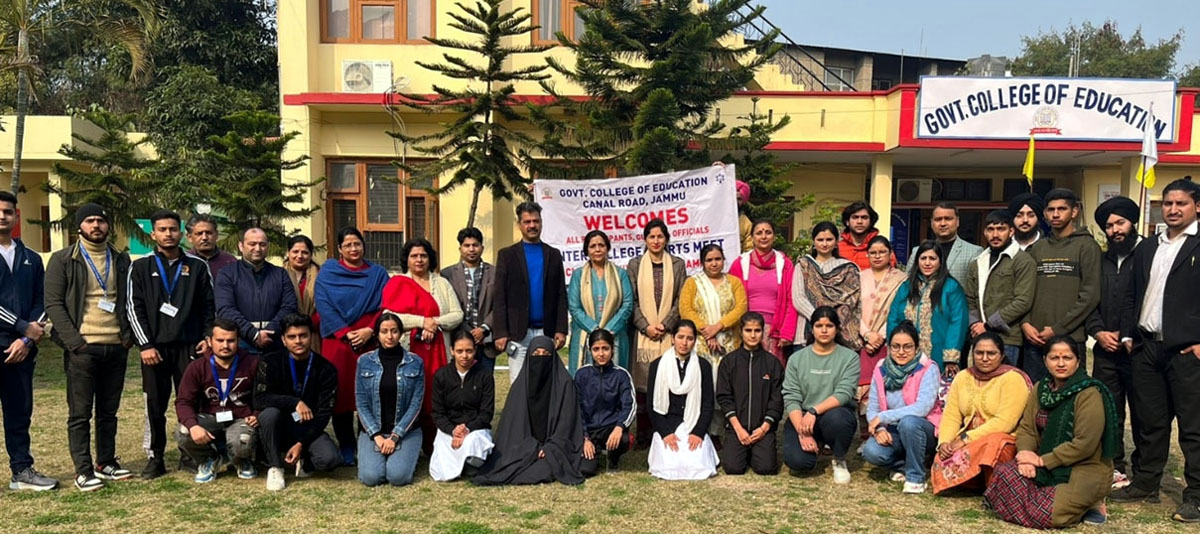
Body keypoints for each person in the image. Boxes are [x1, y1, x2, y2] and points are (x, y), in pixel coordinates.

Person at [1113, 179, 1200, 523]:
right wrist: (1129, 335)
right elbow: (1133, 294)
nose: (1173, 209)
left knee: (1193, 428)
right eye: (1167, 203)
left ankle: (1195, 495)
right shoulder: (1148, 246)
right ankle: (1146, 482)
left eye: (1181, 203)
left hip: (1186, 351)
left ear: (1196, 207)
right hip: (1146, 347)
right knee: (1150, 422)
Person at [44, 203, 134, 491]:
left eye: (101, 221)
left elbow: (131, 300)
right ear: (79, 227)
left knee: (109, 412)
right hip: (83, 349)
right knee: (80, 413)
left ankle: (105, 462)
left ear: (108, 226)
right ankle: (83, 470)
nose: (96, 226)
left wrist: (127, 337)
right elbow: (53, 304)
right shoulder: (63, 259)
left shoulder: (121, 260)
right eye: (90, 221)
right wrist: (74, 342)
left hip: (115, 346)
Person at [984, 337, 1118, 528]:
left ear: (1078, 361)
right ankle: (1056, 501)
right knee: (1004, 474)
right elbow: (1027, 428)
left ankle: (1093, 502)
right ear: (1045, 360)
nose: (1061, 363)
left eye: (1067, 358)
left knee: (1047, 515)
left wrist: (1041, 461)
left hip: (1083, 467)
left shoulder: (1089, 393)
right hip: (1043, 462)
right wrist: (1024, 454)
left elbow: (1084, 444)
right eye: (1054, 358)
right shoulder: (1041, 388)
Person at [127, 209, 215, 479]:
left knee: (191, 402)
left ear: (181, 233)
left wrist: (206, 337)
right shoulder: (140, 266)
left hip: (189, 348)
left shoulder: (198, 266)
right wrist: (145, 345)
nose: (168, 234)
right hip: (155, 350)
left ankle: (192, 454)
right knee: (155, 405)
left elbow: (209, 306)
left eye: (173, 229)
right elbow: (133, 307)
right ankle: (155, 457)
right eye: (162, 230)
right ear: (153, 234)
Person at [313, 227, 390, 465]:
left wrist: (370, 330)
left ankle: (367, 441)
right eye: (348, 245)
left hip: (369, 339)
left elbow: (386, 305)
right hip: (338, 342)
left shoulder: (377, 274)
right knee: (342, 395)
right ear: (339, 249)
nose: (353, 249)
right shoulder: (328, 273)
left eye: (357, 244)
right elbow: (323, 304)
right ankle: (347, 443)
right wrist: (345, 333)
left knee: (370, 393)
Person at [381, 238, 461, 453]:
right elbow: (389, 316)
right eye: (414, 256)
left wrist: (434, 322)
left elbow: (457, 314)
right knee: (410, 395)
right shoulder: (398, 283)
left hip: (440, 352)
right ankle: (410, 446)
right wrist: (420, 321)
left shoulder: (442, 283)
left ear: (430, 258)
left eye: (423, 255)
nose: (419, 260)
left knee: (437, 395)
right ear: (406, 259)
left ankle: (437, 446)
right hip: (408, 351)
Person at [0, 190, 56, 492]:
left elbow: (42, 300)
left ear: (16, 216)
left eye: (8, 211)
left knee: (19, 413)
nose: (2, 216)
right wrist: (23, 326)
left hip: (21, 351)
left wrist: (26, 339)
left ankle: (21, 471)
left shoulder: (31, 258)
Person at [473, 335, 584, 486]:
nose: (540, 359)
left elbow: (567, 423)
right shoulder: (521, 386)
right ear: (529, 358)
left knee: (586, 464)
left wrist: (551, 448)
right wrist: (532, 448)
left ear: (553, 358)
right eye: (536, 354)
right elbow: (514, 428)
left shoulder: (564, 383)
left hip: (556, 446)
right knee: (532, 466)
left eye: (545, 354)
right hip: (525, 447)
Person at [1087, 195, 1142, 490]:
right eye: (1109, 226)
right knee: (1109, 410)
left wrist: (1131, 333)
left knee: (1144, 412)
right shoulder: (1101, 260)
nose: (1115, 230)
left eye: (1120, 223)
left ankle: (1144, 471)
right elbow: (1089, 300)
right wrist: (1098, 332)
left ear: (1132, 223)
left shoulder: (1147, 254)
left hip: (1140, 350)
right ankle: (1114, 463)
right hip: (1105, 349)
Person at [933, 333, 1032, 494]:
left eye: (991, 353)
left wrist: (965, 439)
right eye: (979, 353)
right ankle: (971, 484)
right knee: (944, 455)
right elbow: (952, 415)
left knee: (993, 443)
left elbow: (1005, 422)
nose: (985, 358)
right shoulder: (963, 377)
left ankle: (995, 490)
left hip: (1004, 439)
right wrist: (944, 442)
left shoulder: (1013, 378)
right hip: (969, 440)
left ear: (1002, 356)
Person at [1020, 188, 1101, 384]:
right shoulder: (1037, 248)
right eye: (1051, 209)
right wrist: (1025, 323)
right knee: (1035, 397)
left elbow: (1090, 296)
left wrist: (1058, 329)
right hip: (1035, 339)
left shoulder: (1087, 247)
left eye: (1062, 209)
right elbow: (1023, 290)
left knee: (1069, 400)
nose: (1056, 214)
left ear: (1074, 212)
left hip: (1069, 339)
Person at [253, 314, 342, 491]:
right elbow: (259, 398)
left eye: (303, 335)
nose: (298, 341)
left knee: (330, 459)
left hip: (308, 428)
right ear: (283, 340)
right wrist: (295, 402)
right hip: (278, 425)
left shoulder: (326, 369)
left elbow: (324, 414)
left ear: (311, 336)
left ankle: (304, 460)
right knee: (270, 414)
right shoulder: (269, 362)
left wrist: (301, 443)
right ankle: (275, 467)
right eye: (292, 337)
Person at [492, 202, 569, 384]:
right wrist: (500, 332)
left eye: (536, 221)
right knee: (519, 384)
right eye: (527, 222)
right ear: (519, 225)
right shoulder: (507, 255)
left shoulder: (554, 254)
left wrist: (561, 329)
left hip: (547, 331)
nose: (532, 225)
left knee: (545, 384)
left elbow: (560, 295)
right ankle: (520, 414)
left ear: (541, 223)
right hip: (518, 333)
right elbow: (499, 296)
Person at [862, 321, 943, 494]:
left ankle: (916, 477)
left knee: (909, 422)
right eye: (895, 346)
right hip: (894, 430)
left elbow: (922, 408)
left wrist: (883, 418)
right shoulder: (881, 368)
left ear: (916, 347)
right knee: (871, 452)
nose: (901, 352)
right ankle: (904, 466)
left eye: (907, 347)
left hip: (923, 429)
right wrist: (880, 429)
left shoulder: (929, 368)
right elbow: (873, 407)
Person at [174, 318, 259, 483]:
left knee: (242, 442)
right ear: (209, 341)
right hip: (210, 417)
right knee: (183, 431)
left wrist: (257, 413)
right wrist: (193, 426)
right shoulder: (197, 367)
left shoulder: (252, 363)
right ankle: (209, 459)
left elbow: (265, 395)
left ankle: (241, 461)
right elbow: (183, 401)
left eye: (230, 340)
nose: (225, 345)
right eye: (220, 340)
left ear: (238, 341)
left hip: (241, 418)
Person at [781, 306, 859, 483]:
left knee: (838, 419)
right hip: (803, 418)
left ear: (837, 329)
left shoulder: (849, 357)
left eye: (829, 326)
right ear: (812, 329)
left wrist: (814, 411)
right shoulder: (797, 358)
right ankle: (816, 445)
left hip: (834, 415)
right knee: (798, 463)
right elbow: (791, 396)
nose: (824, 330)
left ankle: (839, 459)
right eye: (819, 325)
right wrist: (802, 431)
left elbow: (844, 393)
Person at [626, 219, 687, 444]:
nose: (656, 241)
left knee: (667, 380)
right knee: (643, 382)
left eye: (660, 236)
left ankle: (666, 426)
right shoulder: (634, 265)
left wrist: (666, 324)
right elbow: (630, 300)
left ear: (667, 239)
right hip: (643, 335)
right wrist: (645, 326)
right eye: (651, 236)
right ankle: (643, 431)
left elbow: (681, 298)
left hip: (668, 333)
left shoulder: (678, 264)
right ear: (645, 239)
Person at [354, 313, 424, 487]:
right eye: (384, 331)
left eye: (394, 331)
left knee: (397, 477)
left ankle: (404, 455)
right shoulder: (364, 361)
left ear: (401, 333)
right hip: (374, 432)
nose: (389, 336)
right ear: (377, 334)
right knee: (371, 478)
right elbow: (361, 403)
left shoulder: (415, 362)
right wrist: (376, 435)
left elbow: (416, 404)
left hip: (405, 431)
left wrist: (395, 436)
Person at [647, 320, 719, 480]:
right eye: (680, 337)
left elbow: (708, 404)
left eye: (690, 338)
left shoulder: (703, 366)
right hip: (667, 425)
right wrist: (665, 433)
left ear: (695, 340)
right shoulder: (657, 365)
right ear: (672, 338)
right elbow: (652, 405)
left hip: (693, 424)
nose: (684, 343)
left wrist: (698, 432)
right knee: (668, 464)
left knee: (698, 464)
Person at [963, 210, 1036, 366]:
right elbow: (969, 298)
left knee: (1005, 384)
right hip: (980, 336)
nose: (995, 234)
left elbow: (1023, 301)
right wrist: (975, 325)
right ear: (984, 232)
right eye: (990, 229)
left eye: (1001, 229)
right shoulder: (977, 262)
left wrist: (989, 325)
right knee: (982, 386)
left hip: (1007, 338)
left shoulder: (1022, 261)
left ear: (1011, 231)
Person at [716, 312, 783, 475]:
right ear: (741, 331)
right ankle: (741, 449)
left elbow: (777, 398)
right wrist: (738, 429)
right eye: (748, 330)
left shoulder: (772, 363)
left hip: (762, 428)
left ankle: (758, 450)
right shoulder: (729, 362)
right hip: (736, 427)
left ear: (762, 332)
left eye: (757, 331)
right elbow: (724, 397)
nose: (753, 335)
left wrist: (764, 428)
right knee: (733, 468)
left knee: (766, 468)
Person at [889, 240, 968, 375]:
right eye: (923, 258)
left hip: (939, 353)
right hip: (906, 355)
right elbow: (893, 318)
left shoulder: (951, 287)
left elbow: (958, 321)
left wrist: (951, 357)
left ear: (940, 262)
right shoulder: (906, 287)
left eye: (932, 258)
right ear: (917, 261)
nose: (927, 263)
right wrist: (894, 347)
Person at [214, 227, 298, 355]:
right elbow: (225, 309)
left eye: (262, 244)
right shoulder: (227, 274)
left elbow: (289, 306)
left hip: (274, 345)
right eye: (252, 244)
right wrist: (252, 334)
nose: (258, 249)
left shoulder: (280, 274)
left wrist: (269, 332)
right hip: (240, 345)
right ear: (241, 246)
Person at [430, 330, 495, 482]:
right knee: (443, 469)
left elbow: (486, 413)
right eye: (459, 351)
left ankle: (471, 464)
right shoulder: (441, 375)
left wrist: (467, 429)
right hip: (449, 429)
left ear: (475, 350)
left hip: (475, 429)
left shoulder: (484, 375)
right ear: (452, 350)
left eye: (469, 351)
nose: (464, 356)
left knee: (473, 443)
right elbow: (438, 413)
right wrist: (453, 430)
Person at [856, 236, 906, 431]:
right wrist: (867, 335)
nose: (877, 256)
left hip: (889, 341)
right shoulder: (860, 277)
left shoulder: (901, 279)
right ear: (867, 255)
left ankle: (887, 429)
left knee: (887, 387)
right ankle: (865, 433)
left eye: (882, 252)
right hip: (863, 341)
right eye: (873, 253)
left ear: (890, 254)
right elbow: (853, 310)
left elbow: (900, 310)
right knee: (863, 387)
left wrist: (881, 336)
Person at [567, 230, 634, 374]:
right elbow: (574, 306)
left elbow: (627, 304)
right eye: (592, 246)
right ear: (587, 250)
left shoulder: (620, 274)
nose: (597, 249)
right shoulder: (578, 275)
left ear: (607, 248)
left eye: (601, 245)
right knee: (585, 384)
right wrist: (595, 330)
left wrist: (609, 330)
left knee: (615, 382)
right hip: (585, 336)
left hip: (615, 336)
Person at [729, 220, 797, 360]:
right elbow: (730, 297)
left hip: (775, 332)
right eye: (759, 233)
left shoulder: (785, 264)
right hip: (746, 329)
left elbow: (792, 299)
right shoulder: (740, 264)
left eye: (768, 232)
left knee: (771, 375)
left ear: (774, 236)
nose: (764, 236)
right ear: (752, 238)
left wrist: (786, 333)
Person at [792, 221, 862, 352]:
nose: (824, 244)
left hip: (840, 334)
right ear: (814, 241)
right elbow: (798, 298)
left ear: (836, 242)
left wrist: (833, 324)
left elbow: (852, 302)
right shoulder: (803, 265)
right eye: (820, 240)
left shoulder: (848, 268)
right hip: (806, 333)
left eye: (829, 239)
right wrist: (820, 321)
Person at [575, 329, 636, 476]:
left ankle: (613, 458)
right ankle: (591, 452)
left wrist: (619, 427)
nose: (601, 354)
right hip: (588, 430)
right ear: (590, 351)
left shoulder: (621, 375)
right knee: (586, 470)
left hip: (611, 428)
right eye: (596, 349)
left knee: (623, 439)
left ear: (612, 350)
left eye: (605, 348)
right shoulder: (582, 374)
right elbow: (576, 407)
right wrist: (584, 437)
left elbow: (629, 405)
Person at [679, 244, 748, 366]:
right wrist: (707, 333)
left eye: (718, 259)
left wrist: (718, 327)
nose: (714, 263)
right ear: (702, 262)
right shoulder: (692, 283)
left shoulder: (734, 282)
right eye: (709, 260)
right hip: (701, 342)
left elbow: (741, 308)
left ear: (723, 260)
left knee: (728, 380)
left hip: (729, 343)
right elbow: (686, 310)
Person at [441, 227, 497, 372]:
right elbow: (446, 306)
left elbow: (500, 305)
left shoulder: (495, 273)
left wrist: (484, 329)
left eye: (475, 245)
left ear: (482, 248)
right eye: (467, 246)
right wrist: (469, 333)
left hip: (486, 342)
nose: (471, 249)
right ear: (460, 248)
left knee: (485, 386)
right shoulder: (447, 274)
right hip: (459, 341)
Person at [906, 202, 983, 285]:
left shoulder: (974, 252)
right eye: (938, 219)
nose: (943, 224)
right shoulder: (917, 251)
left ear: (957, 222)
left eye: (948, 219)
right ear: (932, 223)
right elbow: (908, 283)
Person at [283, 235, 321, 352]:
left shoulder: (321, 276)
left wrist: (308, 324)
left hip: (314, 331)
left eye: (304, 252)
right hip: (287, 330)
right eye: (295, 252)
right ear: (288, 253)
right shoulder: (279, 275)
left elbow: (325, 306)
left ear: (310, 255)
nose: (299, 256)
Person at [839, 201, 895, 269]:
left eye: (864, 218)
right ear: (847, 222)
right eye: (855, 217)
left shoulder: (881, 246)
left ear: (871, 222)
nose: (859, 222)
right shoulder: (837, 247)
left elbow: (892, 273)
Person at [185, 213, 236, 279]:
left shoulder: (230, 262)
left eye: (209, 233)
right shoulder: (183, 262)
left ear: (217, 235)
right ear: (189, 237)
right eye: (199, 234)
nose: (204, 238)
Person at [737, 179, 753, 253]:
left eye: (739, 199)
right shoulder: (714, 217)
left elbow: (748, 250)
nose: (735, 202)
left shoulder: (747, 224)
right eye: (733, 197)